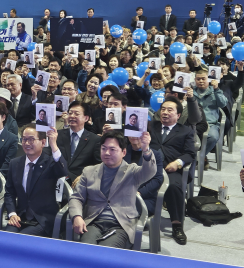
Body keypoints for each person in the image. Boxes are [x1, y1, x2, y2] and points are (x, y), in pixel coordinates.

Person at [69, 129, 156, 249]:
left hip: (121, 225)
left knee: (107, 251)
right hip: (94, 222)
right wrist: (77, 216)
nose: (107, 153)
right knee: (86, 249)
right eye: (103, 148)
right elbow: (76, 198)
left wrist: (146, 149)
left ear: (123, 152)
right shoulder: (89, 171)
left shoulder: (132, 171)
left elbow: (150, 171)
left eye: (112, 149)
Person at [4, 124, 68, 237]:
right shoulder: (15, 163)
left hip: (43, 219)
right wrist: (12, 214)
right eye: (24, 139)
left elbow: (63, 171)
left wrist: (53, 145)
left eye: (31, 139)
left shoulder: (50, 163)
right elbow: (9, 192)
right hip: (20, 216)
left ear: (43, 142)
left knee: (21, 240)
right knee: (6, 238)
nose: (27, 143)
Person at [148, 97, 196, 245]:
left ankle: (177, 225)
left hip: (170, 169)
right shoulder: (150, 126)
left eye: (170, 110)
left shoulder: (186, 131)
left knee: (174, 186)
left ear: (178, 115)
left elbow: (190, 153)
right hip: (148, 167)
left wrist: (178, 163)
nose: (165, 112)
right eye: (163, 109)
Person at [55, 101, 101, 184]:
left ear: (86, 118)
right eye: (70, 113)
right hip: (57, 180)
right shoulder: (58, 135)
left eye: (76, 114)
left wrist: (85, 176)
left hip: (81, 182)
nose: (72, 116)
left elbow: (98, 165)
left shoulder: (94, 139)